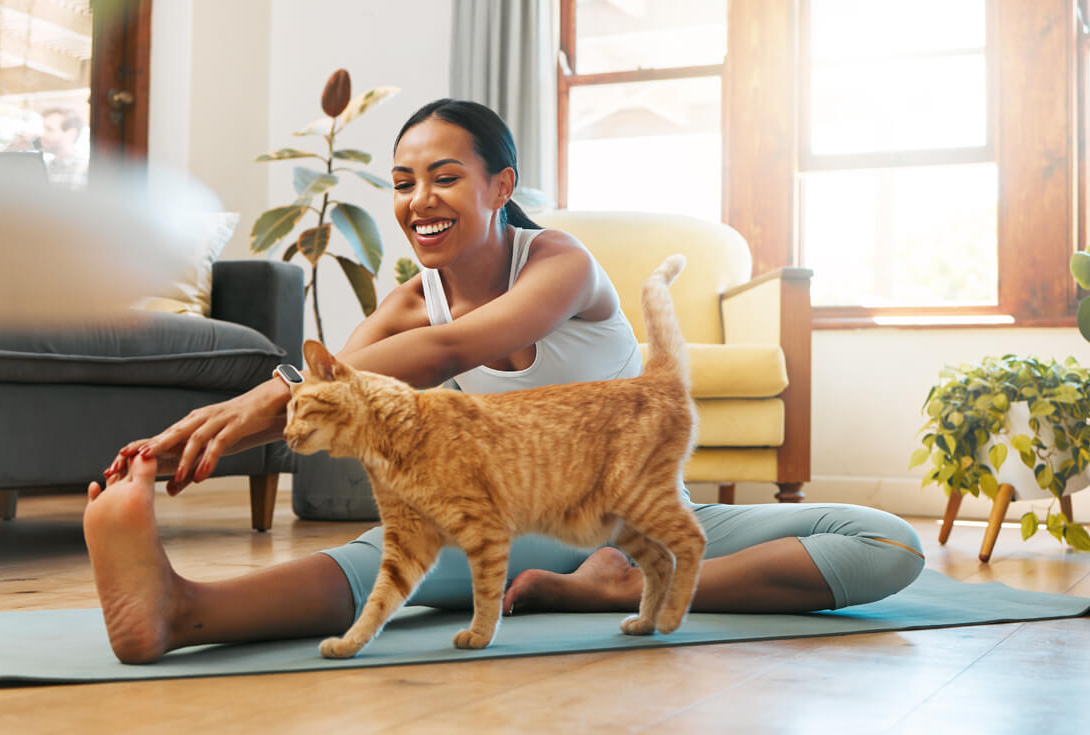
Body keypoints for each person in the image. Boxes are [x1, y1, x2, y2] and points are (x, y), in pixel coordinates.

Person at [86, 99, 925, 664]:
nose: (420, 200)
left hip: (635, 515)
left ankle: (618, 583)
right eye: (404, 183)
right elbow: (332, 397)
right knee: (385, 557)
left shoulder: (561, 264)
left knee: (888, 544)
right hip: (496, 522)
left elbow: (457, 349)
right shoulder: (408, 302)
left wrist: (263, 391)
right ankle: (179, 608)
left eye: (445, 176)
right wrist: (192, 437)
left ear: (500, 186)